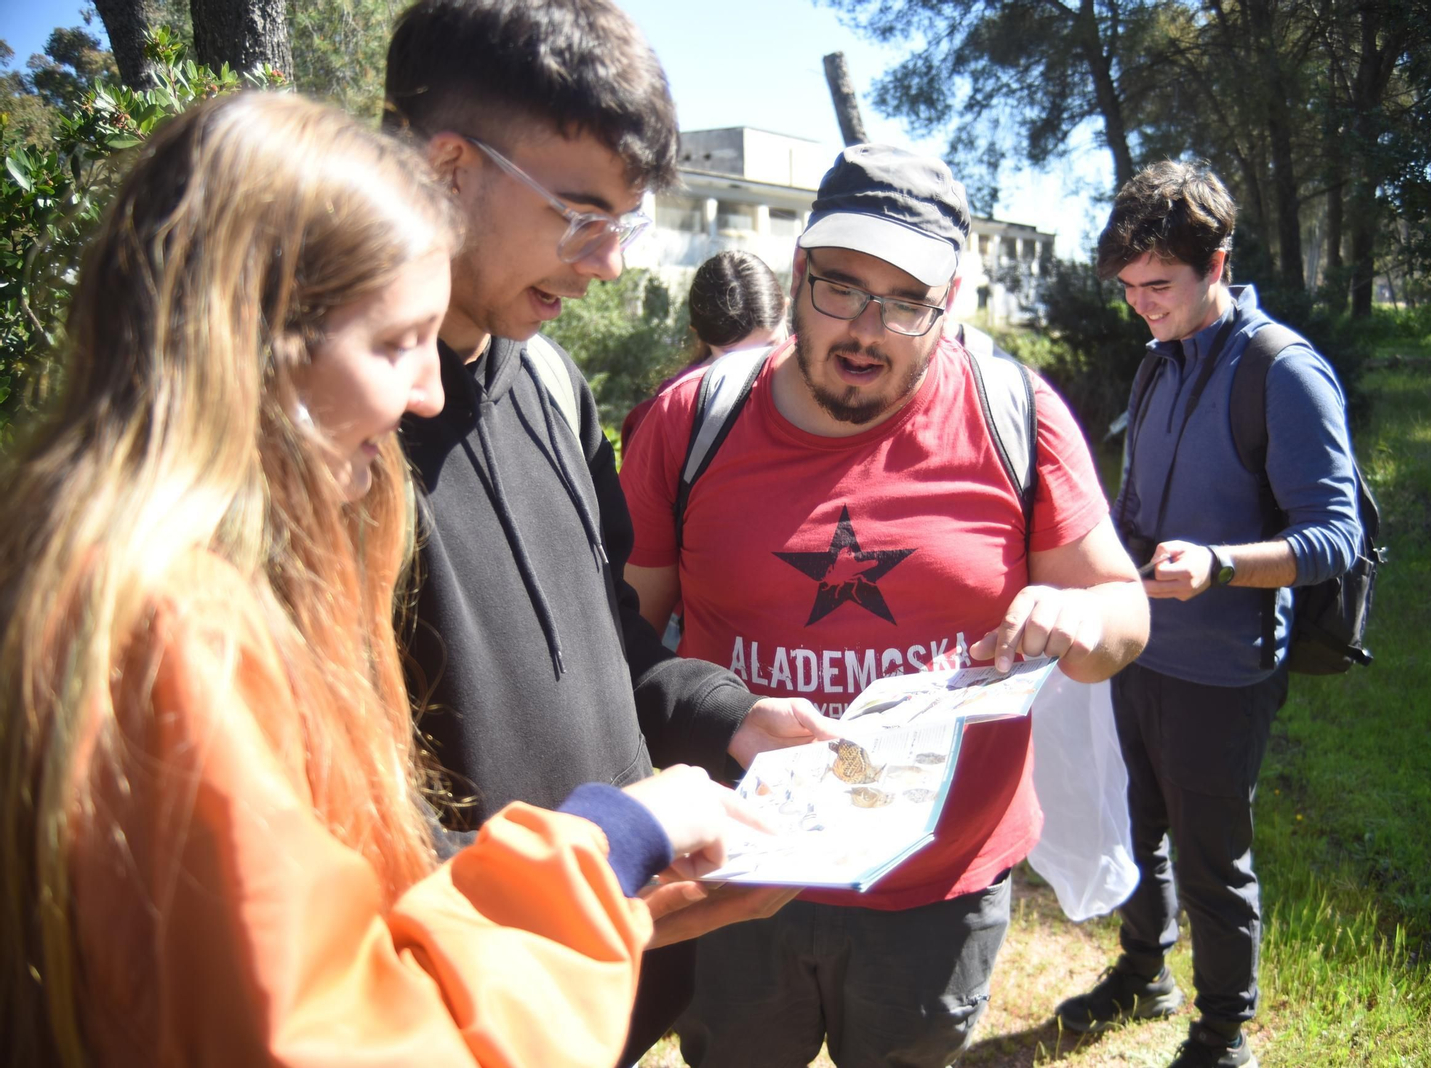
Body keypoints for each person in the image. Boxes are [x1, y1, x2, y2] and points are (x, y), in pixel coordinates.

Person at [0, 92, 756, 1068]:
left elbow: (335, 898)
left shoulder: (177, 584)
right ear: (248, 338)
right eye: (396, 344)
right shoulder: (174, 630)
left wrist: (605, 879)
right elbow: (340, 1036)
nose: (430, 393)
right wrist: (607, 840)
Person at [620, 143, 1151, 1068]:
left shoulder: (1014, 413)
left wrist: (1084, 625)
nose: (864, 329)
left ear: (946, 309)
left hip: (936, 890)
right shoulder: (691, 419)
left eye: (905, 301)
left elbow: (1123, 610)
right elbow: (620, 636)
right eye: (840, 289)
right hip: (735, 866)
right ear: (797, 275)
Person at [381, 1, 834, 1061]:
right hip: (462, 1013)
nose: (612, 265)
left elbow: (612, 638)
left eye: (624, 223)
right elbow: (332, 816)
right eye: (582, 217)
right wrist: (585, 880)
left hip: (620, 983)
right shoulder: (335, 432)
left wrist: (734, 718)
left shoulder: (552, 383)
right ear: (449, 167)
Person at [1052, 161, 1361, 1068]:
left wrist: (1222, 565)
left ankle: (1224, 1036)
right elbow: (1137, 511)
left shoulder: (1283, 371)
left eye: (1160, 286)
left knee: (1211, 858)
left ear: (1217, 261)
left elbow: (1335, 535)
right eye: (1129, 289)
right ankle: (1143, 973)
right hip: (1138, 649)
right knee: (1134, 824)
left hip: (1224, 670)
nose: (1142, 305)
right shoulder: (1157, 362)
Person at [620, 249, 787, 454]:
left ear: (786, 309)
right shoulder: (671, 411)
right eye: (732, 357)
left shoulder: (820, 379)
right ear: (698, 333)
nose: (755, 369)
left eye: (769, 348)